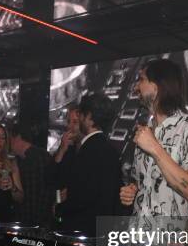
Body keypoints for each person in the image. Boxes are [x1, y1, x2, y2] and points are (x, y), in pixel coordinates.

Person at [119, 59, 188, 230]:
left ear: (158, 85)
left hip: (172, 244)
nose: (135, 87)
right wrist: (133, 190)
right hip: (139, 239)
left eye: (141, 79)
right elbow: (145, 182)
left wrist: (155, 148)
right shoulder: (145, 131)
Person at [55, 93, 121, 235]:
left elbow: (81, 195)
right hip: (104, 231)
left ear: (89, 118)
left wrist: (59, 207)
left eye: (81, 115)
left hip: (81, 230)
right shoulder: (112, 151)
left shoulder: (87, 150)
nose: (79, 119)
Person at [9, 122, 55, 227]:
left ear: (17, 137)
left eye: (10, 138)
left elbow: (36, 196)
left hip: (35, 224)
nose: (8, 143)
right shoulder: (42, 155)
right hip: (39, 223)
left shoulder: (35, 158)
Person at [54, 103, 81, 202]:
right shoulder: (67, 148)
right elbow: (51, 177)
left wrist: (72, 191)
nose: (70, 126)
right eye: (69, 121)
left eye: (75, 122)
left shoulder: (90, 149)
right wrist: (61, 150)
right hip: (62, 206)